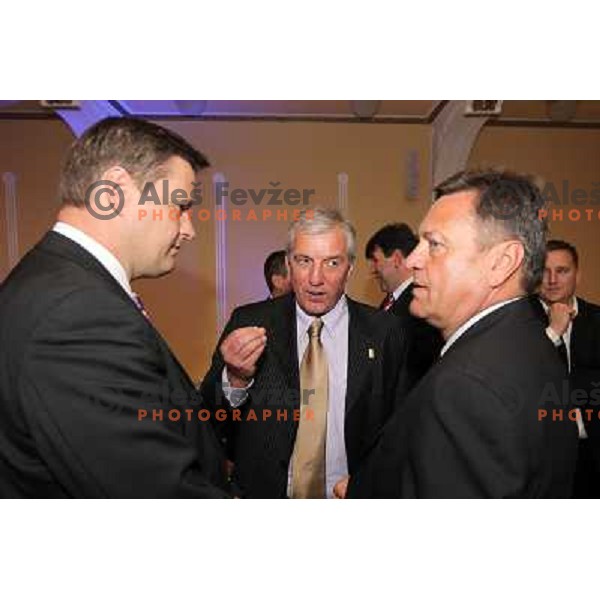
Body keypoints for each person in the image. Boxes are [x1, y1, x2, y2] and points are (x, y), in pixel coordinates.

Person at [0, 117, 229, 498]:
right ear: (118, 189)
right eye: (180, 206)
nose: (189, 229)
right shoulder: (76, 314)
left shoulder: (55, 282)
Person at [345, 169, 577, 498]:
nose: (412, 260)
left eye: (434, 244)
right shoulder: (527, 340)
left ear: (501, 263)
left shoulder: (468, 384)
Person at [201, 207, 408, 498]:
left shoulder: (385, 332)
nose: (315, 278)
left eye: (332, 263)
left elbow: (401, 428)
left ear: (350, 268)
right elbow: (207, 417)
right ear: (288, 264)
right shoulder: (249, 322)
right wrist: (235, 379)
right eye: (304, 261)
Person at [537, 239, 600, 497]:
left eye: (562, 271)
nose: (552, 279)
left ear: (578, 275)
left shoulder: (597, 319)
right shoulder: (516, 321)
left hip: (592, 455)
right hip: (539, 458)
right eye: (544, 271)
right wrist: (552, 333)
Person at [366, 223, 443, 388]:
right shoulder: (390, 302)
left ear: (397, 259)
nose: (372, 270)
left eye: (375, 260)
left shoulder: (421, 304)